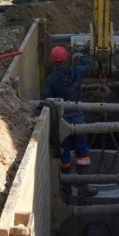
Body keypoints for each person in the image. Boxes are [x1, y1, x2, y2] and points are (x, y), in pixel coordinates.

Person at [43, 46, 97, 197]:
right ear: (67, 58)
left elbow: (47, 100)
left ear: (53, 62)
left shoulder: (51, 80)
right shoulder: (77, 72)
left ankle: (65, 189)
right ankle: (83, 187)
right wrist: (80, 56)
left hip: (61, 120)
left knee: (64, 153)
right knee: (82, 153)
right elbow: (90, 65)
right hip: (78, 117)